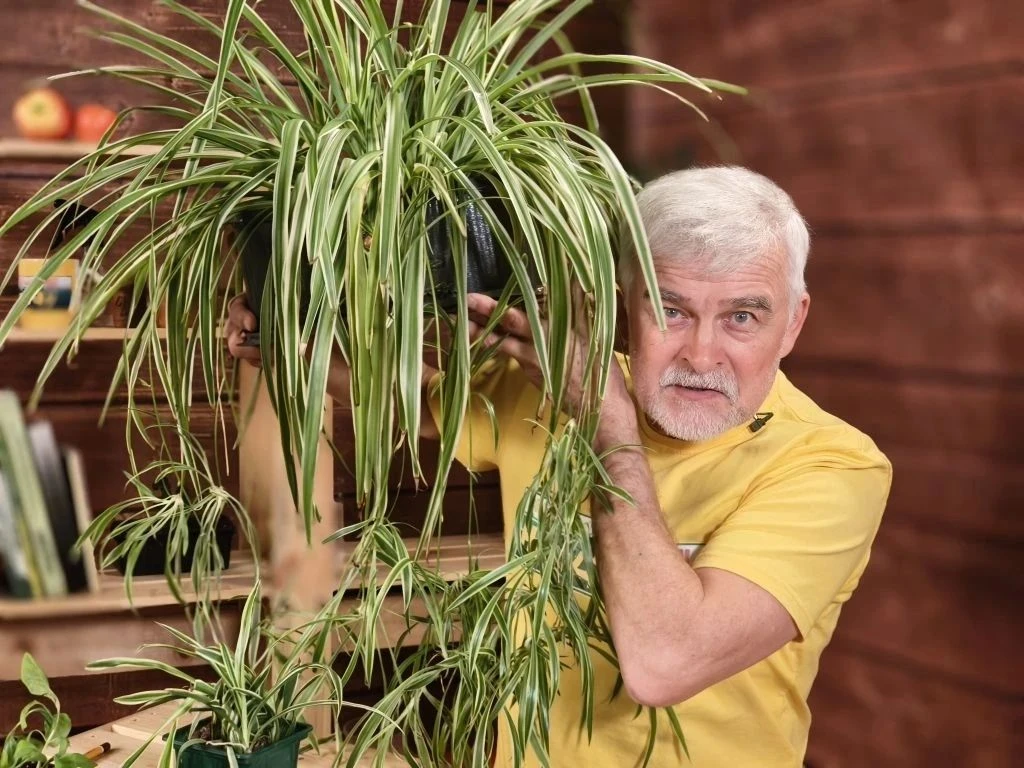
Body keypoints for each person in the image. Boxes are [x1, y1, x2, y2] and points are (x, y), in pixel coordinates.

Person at [226, 166, 892, 767]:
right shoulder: (556, 386)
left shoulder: (832, 466)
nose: (701, 354)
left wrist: (606, 422)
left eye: (742, 316)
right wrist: (280, 342)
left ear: (793, 323)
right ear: (623, 307)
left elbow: (664, 663)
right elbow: (414, 405)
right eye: (669, 309)